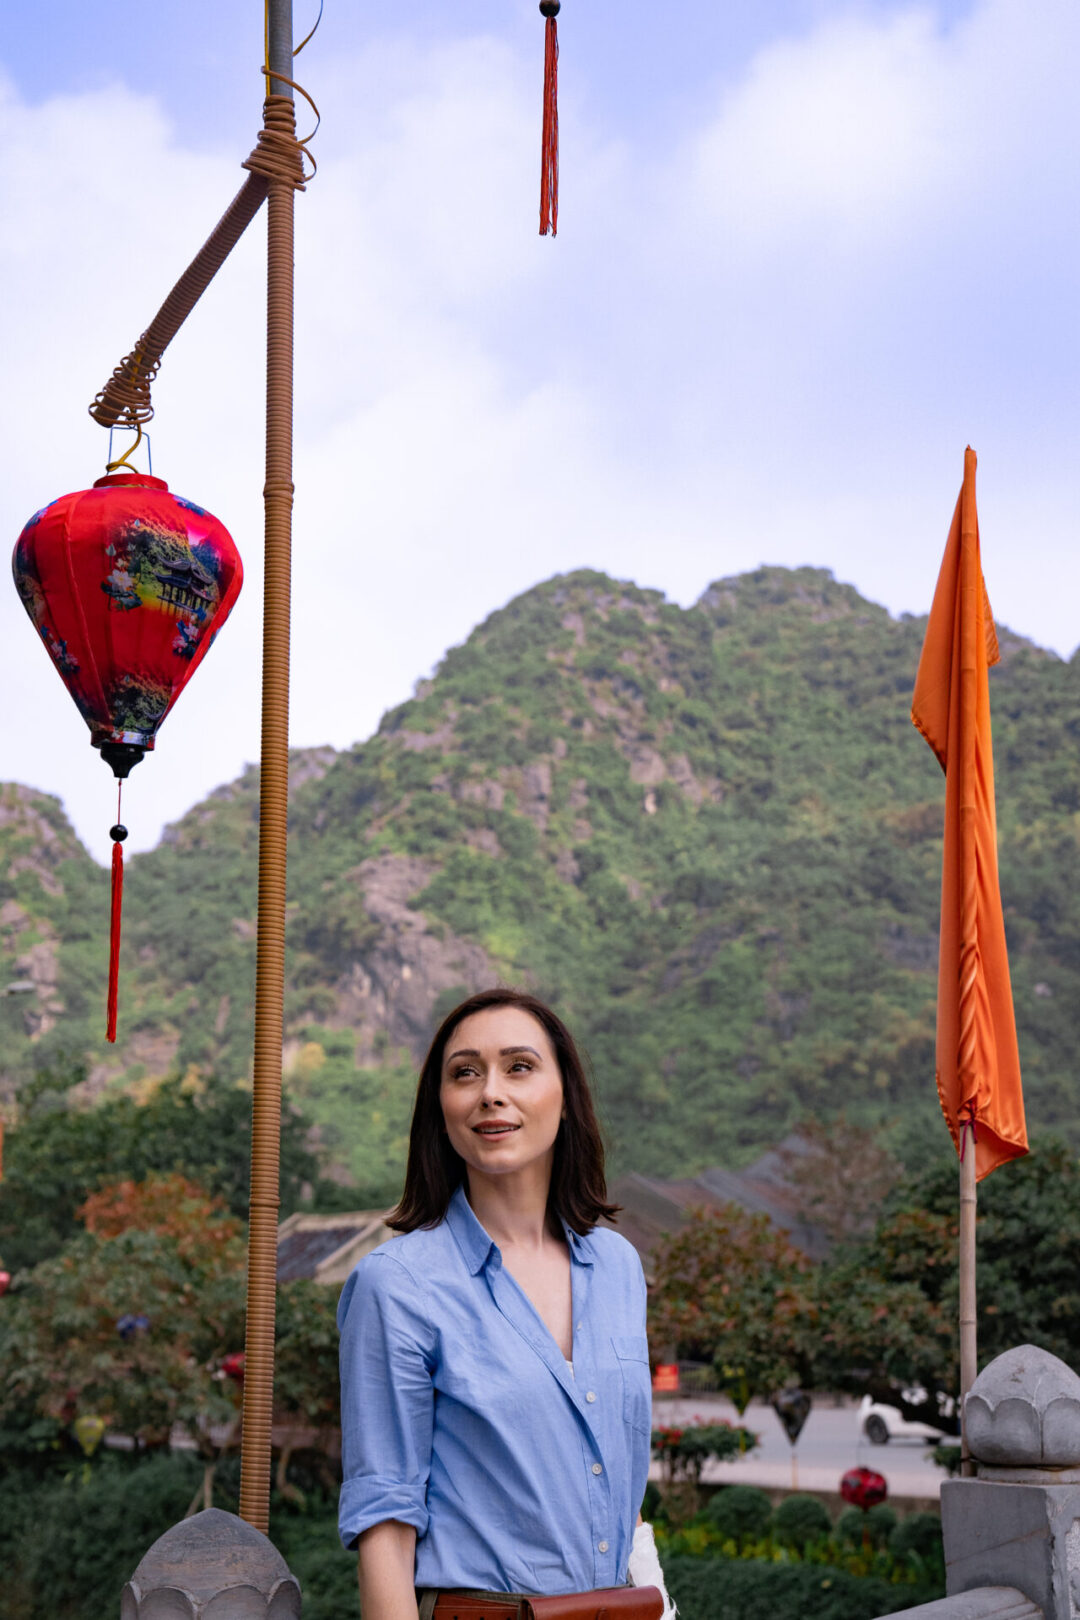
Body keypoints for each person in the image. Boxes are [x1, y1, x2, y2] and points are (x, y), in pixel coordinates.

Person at [337, 987, 672, 1620]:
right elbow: (384, 1518)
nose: (491, 1091)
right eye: (465, 1073)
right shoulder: (398, 1285)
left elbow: (615, 1483)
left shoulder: (618, 1268)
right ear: (441, 1109)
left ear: (565, 1095)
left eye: (519, 1066)